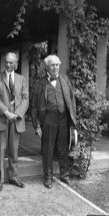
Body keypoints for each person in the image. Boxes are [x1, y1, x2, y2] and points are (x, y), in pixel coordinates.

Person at [31, 55, 77, 188]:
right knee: (48, 149)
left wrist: (72, 120)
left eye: (57, 65)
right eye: (52, 65)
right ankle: (48, 177)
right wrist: (37, 125)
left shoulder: (64, 79)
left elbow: (72, 100)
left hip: (63, 119)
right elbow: (34, 106)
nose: (55, 67)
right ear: (46, 67)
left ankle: (64, 175)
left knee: (63, 148)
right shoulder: (40, 83)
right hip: (48, 120)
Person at [0, 52, 29, 191]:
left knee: (14, 150)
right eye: (6, 62)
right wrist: (6, 112)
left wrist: (17, 115)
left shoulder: (22, 79)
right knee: (0, 150)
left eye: (11, 62)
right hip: (2, 118)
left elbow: (25, 99)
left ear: (16, 64)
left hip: (16, 120)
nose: (8, 64)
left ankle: (13, 177)